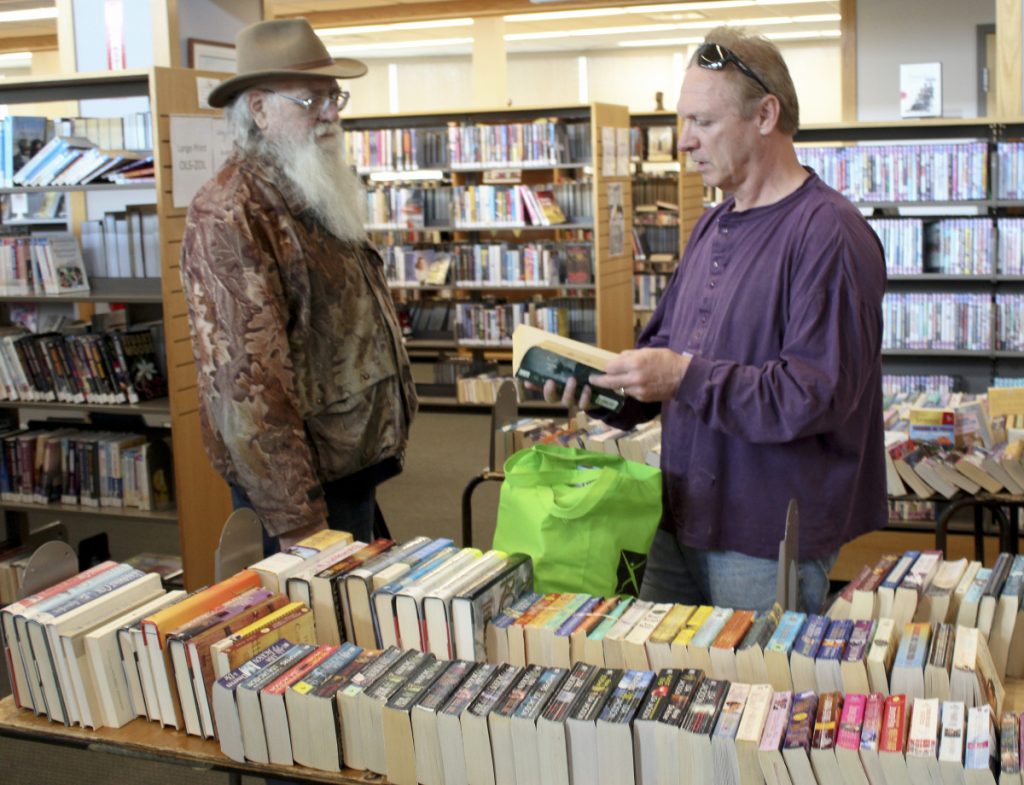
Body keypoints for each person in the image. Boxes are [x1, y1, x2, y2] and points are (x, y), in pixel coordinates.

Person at [551, 27, 887, 614]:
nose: (684, 142)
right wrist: (603, 389)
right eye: (684, 122)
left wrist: (682, 376)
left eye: (702, 122)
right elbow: (666, 353)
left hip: (762, 536)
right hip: (678, 516)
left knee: (758, 699)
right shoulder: (711, 224)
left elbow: (815, 393)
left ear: (765, 115)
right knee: (662, 689)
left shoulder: (828, 233)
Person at [180, 18, 417, 554]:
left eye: (335, 96)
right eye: (311, 101)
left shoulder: (310, 186)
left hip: (345, 464)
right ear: (259, 109)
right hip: (297, 493)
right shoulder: (230, 212)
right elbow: (247, 387)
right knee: (311, 630)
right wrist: (299, 525)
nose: (332, 113)